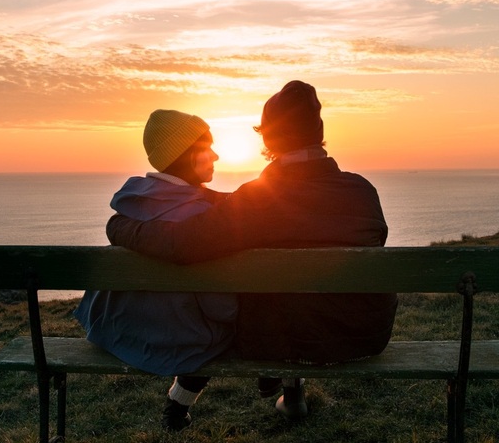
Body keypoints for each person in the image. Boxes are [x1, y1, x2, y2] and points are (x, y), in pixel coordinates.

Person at [106, 80, 398, 423]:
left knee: (238, 301)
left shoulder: (258, 200)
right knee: (293, 298)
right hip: (363, 338)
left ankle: (180, 402)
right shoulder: (363, 191)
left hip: (281, 343)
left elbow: (180, 244)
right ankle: (292, 396)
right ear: (318, 133)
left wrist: (121, 227)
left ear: (267, 138)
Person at [74, 109, 237, 431]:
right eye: (208, 147)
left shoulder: (129, 204)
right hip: (179, 337)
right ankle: (282, 386)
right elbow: (221, 305)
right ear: (188, 154)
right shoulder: (204, 218)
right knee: (228, 326)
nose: (217, 154)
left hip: (119, 328)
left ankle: (178, 410)